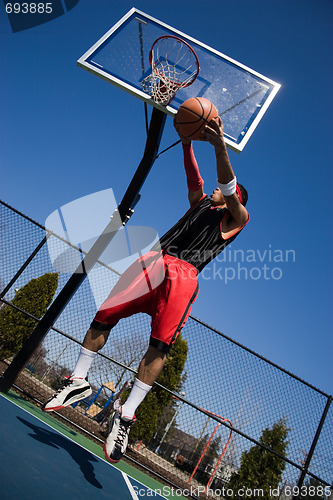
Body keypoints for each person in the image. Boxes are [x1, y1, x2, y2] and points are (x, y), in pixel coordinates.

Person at [43, 116, 249, 463]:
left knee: (159, 347)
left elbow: (228, 186)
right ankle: (78, 379)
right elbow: (193, 178)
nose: (217, 187)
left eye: (227, 188)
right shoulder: (200, 204)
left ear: (236, 198)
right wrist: (186, 142)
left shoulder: (235, 218)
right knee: (104, 315)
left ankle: (126, 415)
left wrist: (219, 148)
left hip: (184, 277)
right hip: (154, 261)